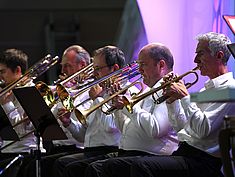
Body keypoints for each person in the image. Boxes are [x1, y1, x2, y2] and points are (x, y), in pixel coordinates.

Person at [109, 32, 235, 177]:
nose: (195, 60)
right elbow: (182, 127)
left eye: (200, 54)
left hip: (203, 161)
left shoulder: (230, 89)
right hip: (185, 153)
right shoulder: (206, 89)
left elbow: (202, 130)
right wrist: (172, 101)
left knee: (140, 166)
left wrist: (185, 97)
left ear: (219, 56)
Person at [84, 43, 179, 177]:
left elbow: (155, 129)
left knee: (95, 169)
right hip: (131, 153)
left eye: (143, 64)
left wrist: (129, 106)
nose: (139, 70)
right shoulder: (148, 91)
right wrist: (118, 109)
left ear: (161, 65)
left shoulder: (168, 89)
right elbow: (124, 128)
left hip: (148, 156)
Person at [52, 45, 129, 177]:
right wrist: (68, 123)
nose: (94, 73)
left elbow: (111, 127)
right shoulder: (99, 91)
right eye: (94, 69)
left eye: (98, 68)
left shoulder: (126, 92)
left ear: (115, 68)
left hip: (111, 150)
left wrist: (98, 100)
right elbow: (83, 136)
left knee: (65, 165)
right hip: (91, 150)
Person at [23, 45, 93, 177]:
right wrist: (35, 111)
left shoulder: (90, 91)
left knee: (37, 167)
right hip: (55, 147)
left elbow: (82, 122)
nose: (63, 70)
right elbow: (49, 122)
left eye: (67, 66)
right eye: (62, 66)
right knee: (29, 164)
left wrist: (68, 93)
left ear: (82, 65)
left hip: (75, 148)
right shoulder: (63, 90)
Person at [0, 48, 44, 177]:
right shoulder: (6, 91)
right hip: (6, 150)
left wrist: (7, 105)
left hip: (25, 154)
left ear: (18, 70)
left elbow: (22, 132)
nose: (0, 77)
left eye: (2, 72)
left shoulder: (31, 92)